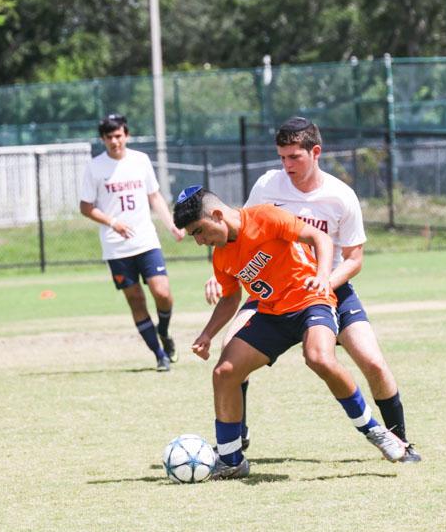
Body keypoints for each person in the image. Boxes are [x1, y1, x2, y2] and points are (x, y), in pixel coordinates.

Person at [204, 116, 420, 462]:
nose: (287, 165)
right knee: (229, 351)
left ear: (315, 152)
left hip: (329, 289)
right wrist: (218, 277)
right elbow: (239, 233)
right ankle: (235, 439)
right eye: (282, 157)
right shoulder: (267, 185)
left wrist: (323, 283)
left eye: (295, 157)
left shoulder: (340, 196)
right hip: (272, 292)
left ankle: (399, 441)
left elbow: (354, 259)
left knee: (373, 363)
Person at [173, 186, 408, 479]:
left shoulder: (265, 217)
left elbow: (320, 238)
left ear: (217, 215)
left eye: (199, 231)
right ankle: (231, 461)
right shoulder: (221, 257)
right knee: (224, 372)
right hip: (272, 315)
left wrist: (322, 277)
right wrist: (207, 334)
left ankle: (374, 431)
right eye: (193, 236)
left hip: (311, 301)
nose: (199, 241)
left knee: (319, 358)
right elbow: (231, 298)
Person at [79, 114, 183, 371]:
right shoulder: (94, 167)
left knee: (162, 292)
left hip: (146, 241)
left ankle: (164, 331)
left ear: (126, 135)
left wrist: (171, 224)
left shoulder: (140, 160)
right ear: (103, 139)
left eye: (118, 136)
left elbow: (154, 196)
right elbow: (85, 207)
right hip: (116, 246)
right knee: (136, 299)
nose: (115, 141)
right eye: (109, 137)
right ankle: (159, 355)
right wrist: (113, 222)